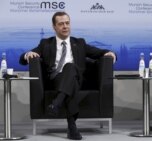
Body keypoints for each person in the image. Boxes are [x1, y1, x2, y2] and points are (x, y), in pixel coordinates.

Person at [19, 11, 116, 140]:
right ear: (54, 27)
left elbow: (99, 52)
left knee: (70, 67)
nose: (65, 26)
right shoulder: (46, 43)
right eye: (61, 24)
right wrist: (28, 55)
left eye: (67, 23)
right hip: (55, 79)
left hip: (77, 77)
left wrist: (111, 53)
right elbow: (23, 59)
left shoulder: (80, 43)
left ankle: (57, 102)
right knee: (71, 84)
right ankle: (71, 127)